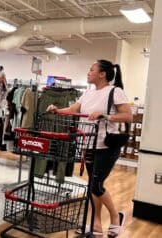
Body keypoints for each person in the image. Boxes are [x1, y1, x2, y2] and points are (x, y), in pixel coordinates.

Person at [47, 60, 133, 237]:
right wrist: (57, 110)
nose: (88, 72)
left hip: (106, 146)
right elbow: (73, 108)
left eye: (91, 69)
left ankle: (116, 217)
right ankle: (96, 226)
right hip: (89, 145)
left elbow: (128, 116)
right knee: (93, 186)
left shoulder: (114, 91)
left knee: (96, 184)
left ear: (102, 74)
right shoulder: (87, 93)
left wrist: (106, 116)